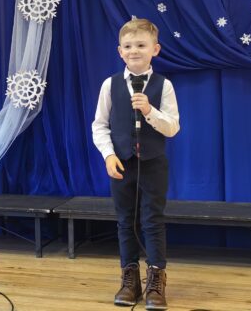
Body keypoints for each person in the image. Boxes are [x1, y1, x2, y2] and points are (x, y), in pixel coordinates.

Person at [91, 18, 180, 310]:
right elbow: (99, 125)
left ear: (155, 49)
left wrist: (150, 110)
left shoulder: (164, 86)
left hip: (153, 164)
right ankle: (130, 279)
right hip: (121, 164)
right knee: (125, 221)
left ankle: (156, 279)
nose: (134, 51)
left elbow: (172, 127)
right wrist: (108, 154)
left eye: (141, 45)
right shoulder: (110, 84)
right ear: (120, 51)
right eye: (128, 46)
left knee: (152, 220)